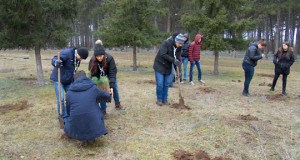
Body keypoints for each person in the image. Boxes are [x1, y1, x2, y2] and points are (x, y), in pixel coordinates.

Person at [64, 71, 111, 143]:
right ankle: (92, 136)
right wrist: (109, 92)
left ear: (74, 80)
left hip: (76, 124)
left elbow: (68, 111)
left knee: (70, 119)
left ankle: (79, 135)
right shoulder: (93, 88)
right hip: (94, 122)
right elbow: (106, 96)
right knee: (97, 112)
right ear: (85, 78)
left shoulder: (69, 92)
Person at [50, 47, 89, 122]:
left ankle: (70, 114)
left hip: (69, 80)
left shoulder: (77, 59)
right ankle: (63, 118)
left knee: (71, 97)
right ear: (77, 53)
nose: (81, 60)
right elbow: (55, 58)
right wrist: (56, 62)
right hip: (59, 79)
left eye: (82, 59)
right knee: (61, 99)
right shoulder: (67, 53)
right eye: (81, 58)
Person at [88, 40, 124, 117]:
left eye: (101, 56)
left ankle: (117, 103)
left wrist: (111, 85)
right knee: (102, 92)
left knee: (114, 88)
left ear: (104, 54)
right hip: (99, 77)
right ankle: (103, 110)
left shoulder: (110, 58)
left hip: (108, 75)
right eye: (97, 56)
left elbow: (112, 72)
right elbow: (92, 73)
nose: (99, 58)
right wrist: (98, 83)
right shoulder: (93, 60)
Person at [153, 33, 185, 106]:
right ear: (176, 41)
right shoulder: (166, 43)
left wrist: (179, 72)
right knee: (160, 84)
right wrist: (173, 60)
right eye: (180, 43)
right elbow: (163, 54)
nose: (180, 45)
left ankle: (165, 100)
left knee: (166, 84)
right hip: (159, 65)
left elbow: (177, 60)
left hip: (168, 67)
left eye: (181, 44)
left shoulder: (179, 48)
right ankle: (159, 100)